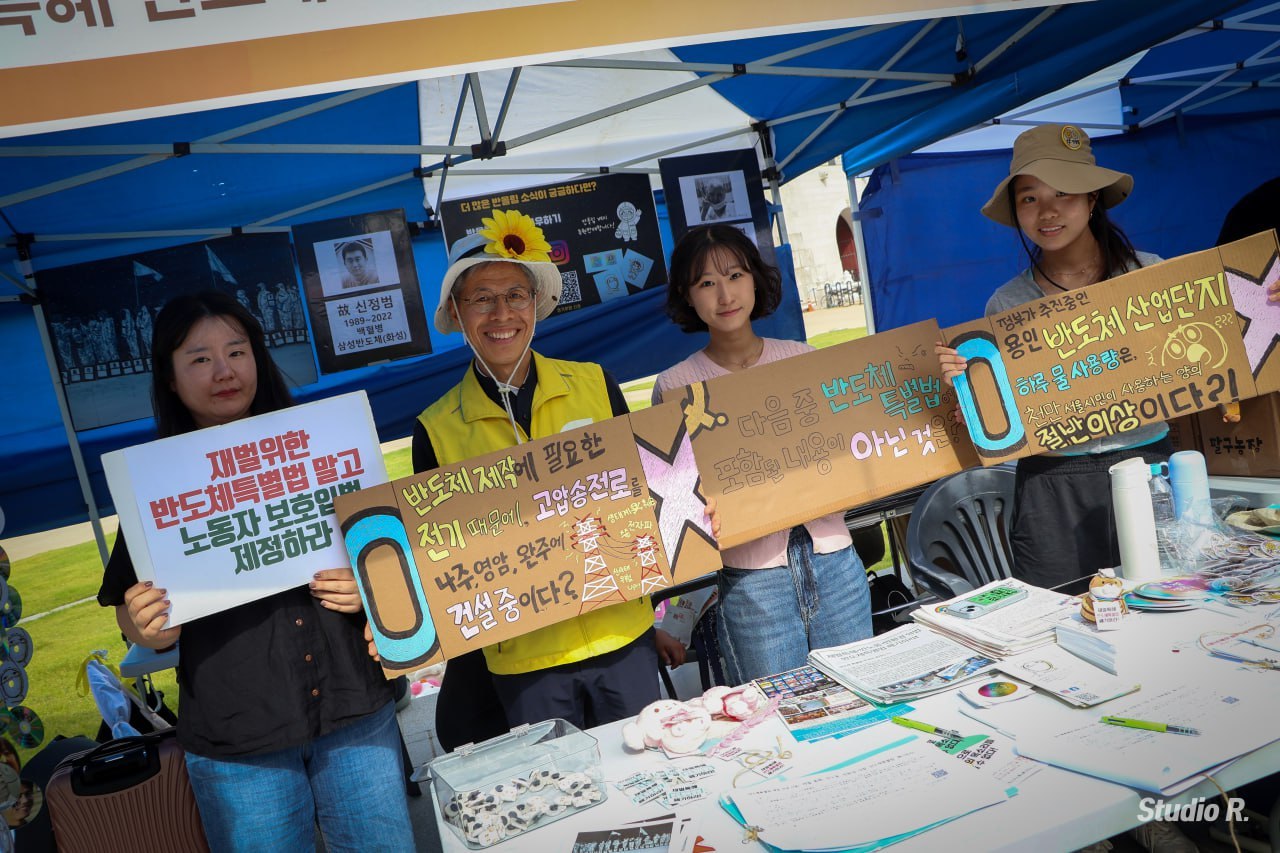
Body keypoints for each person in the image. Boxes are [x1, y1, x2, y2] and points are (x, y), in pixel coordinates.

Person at [96, 291, 413, 852]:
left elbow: (391, 559)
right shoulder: (156, 484)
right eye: (199, 358)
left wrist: (371, 584)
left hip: (355, 710)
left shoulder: (327, 447)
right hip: (238, 738)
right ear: (170, 378)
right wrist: (142, 625)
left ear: (257, 358)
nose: (224, 371)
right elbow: (129, 608)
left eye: (237, 351)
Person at [405, 222, 685, 747]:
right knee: (563, 799)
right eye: (481, 299)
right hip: (524, 659)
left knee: (651, 777)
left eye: (515, 295)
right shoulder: (435, 428)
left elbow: (648, 494)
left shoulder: (595, 384)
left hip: (621, 635)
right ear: (458, 315)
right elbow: (442, 557)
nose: (501, 314)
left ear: (536, 303)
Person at [935, 124, 1176, 595]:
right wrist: (965, 385)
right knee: (1062, 626)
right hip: (1051, 485)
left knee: (1168, 602)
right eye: (1029, 198)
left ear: (1092, 200)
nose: (1046, 211)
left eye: (1064, 193)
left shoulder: (1154, 275)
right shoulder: (1004, 305)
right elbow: (998, 417)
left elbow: (1216, 351)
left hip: (1150, 468)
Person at [651, 224, 874, 685]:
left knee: (860, 693)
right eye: (706, 283)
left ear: (755, 279)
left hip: (835, 561)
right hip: (753, 579)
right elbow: (674, 500)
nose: (724, 293)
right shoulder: (674, 387)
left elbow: (848, 454)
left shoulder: (802, 358)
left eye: (734, 275)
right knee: (780, 709)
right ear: (687, 296)